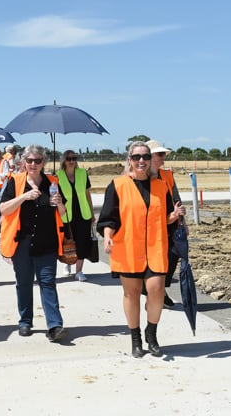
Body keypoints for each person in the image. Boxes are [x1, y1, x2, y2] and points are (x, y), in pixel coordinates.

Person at [96, 141, 185, 358]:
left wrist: (174, 217)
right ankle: (135, 338)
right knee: (132, 293)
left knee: (156, 291)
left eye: (145, 156)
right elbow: (108, 218)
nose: (141, 161)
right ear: (130, 160)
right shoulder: (117, 186)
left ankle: (151, 333)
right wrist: (107, 237)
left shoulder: (161, 187)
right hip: (127, 249)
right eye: (136, 157)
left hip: (155, 248)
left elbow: (164, 220)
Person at [0, 144, 67, 342]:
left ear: (43, 162)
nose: (33, 164)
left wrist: (60, 202)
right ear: (23, 163)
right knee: (24, 283)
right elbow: (4, 209)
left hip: (47, 242)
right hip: (22, 243)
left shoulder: (52, 182)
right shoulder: (15, 181)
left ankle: (54, 325)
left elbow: (63, 214)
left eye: (37, 161)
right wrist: (24, 196)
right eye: (29, 161)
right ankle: (25, 321)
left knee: (48, 283)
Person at [145, 139, 183, 309]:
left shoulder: (167, 175)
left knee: (173, 254)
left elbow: (176, 198)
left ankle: (159, 291)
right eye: (160, 154)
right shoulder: (143, 176)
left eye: (163, 154)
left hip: (172, 223)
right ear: (150, 156)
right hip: (155, 225)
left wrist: (182, 221)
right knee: (155, 262)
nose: (163, 158)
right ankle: (156, 293)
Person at [56, 150, 95, 281]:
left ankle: (79, 271)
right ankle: (68, 262)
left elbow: (88, 195)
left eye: (74, 158)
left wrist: (92, 213)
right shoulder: (58, 176)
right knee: (68, 242)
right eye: (69, 159)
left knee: (82, 242)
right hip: (66, 215)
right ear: (64, 161)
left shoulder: (83, 173)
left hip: (83, 213)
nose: (72, 161)